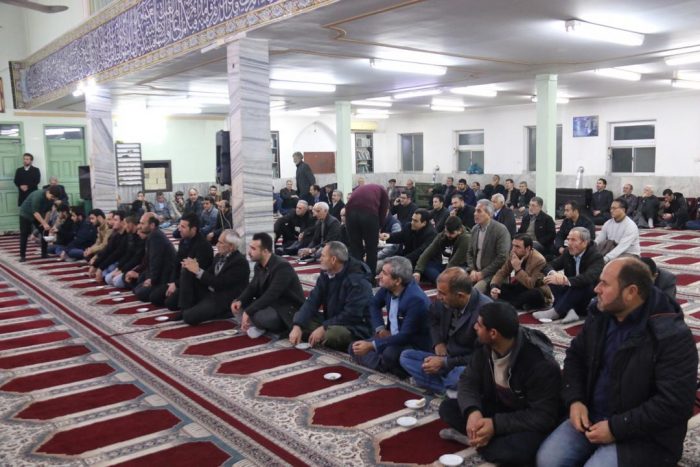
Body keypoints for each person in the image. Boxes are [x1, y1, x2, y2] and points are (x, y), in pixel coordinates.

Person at [537, 257, 698, 467]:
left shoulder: (670, 335)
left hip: (644, 435)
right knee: (548, 461)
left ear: (631, 292)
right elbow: (575, 357)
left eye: (604, 284)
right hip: (593, 416)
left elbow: (674, 403)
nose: (596, 289)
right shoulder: (601, 315)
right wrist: (575, 400)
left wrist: (615, 428)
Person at [440, 302, 562, 466]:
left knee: (519, 452)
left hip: (525, 418)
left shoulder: (539, 363)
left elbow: (543, 416)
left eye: (479, 324)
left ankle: (478, 441)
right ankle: (485, 439)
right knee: (448, 408)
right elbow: (468, 380)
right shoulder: (485, 346)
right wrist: (472, 411)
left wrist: (496, 425)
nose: (475, 327)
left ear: (493, 333)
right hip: (499, 408)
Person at [400, 267, 491, 394]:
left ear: (460, 296)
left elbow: (482, 357)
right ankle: (450, 389)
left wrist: (445, 363)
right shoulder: (444, 301)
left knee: (457, 377)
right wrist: (438, 342)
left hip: (465, 363)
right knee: (406, 356)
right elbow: (432, 318)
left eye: (442, 293)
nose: (438, 297)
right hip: (445, 355)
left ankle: (445, 386)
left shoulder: (485, 311)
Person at [350, 256, 431, 378]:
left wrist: (372, 345)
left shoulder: (416, 300)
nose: (379, 276)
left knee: (389, 354)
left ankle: (385, 363)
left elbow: (405, 336)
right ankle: (385, 363)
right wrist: (380, 329)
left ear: (397, 280)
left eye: (384, 273)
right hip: (391, 338)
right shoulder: (388, 288)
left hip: (412, 344)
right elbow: (374, 304)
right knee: (354, 347)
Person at [289, 242, 373, 350]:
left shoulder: (357, 280)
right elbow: (312, 301)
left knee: (332, 335)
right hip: (332, 319)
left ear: (333, 259)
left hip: (355, 326)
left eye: (323, 256)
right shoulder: (326, 273)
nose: (320, 259)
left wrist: (324, 327)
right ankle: (315, 333)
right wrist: (297, 325)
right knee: (297, 318)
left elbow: (351, 315)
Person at [232, 232, 305, 338]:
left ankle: (257, 325)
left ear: (265, 251)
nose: (249, 252)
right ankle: (255, 324)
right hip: (270, 305)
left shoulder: (282, 267)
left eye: (253, 249)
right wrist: (240, 300)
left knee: (261, 317)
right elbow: (252, 287)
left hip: (286, 309)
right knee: (237, 305)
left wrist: (248, 311)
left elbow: (271, 295)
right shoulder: (259, 265)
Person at [533, 227, 605, 324]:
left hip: (587, 296)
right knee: (551, 278)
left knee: (580, 284)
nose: (569, 243)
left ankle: (557, 311)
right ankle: (569, 310)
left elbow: (588, 278)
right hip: (570, 292)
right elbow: (548, 265)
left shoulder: (596, 256)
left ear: (584, 243)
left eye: (573, 240)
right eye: (568, 239)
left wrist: (564, 281)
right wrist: (554, 274)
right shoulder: (568, 252)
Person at [178, 230, 249, 325]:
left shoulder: (239, 262)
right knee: (187, 272)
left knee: (188, 317)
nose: (217, 245)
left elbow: (220, 283)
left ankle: (224, 313)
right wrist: (193, 267)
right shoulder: (219, 256)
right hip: (212, 292)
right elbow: (209, 274)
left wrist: (198, 271)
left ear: (231, 246)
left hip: (224, 299)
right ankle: (184, 308)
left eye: (221, 243)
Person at [158, 213, 214, 310]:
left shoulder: (203, 246)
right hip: (180, 280)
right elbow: (176, 264)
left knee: (169, 303)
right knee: (155, 296)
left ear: (193, 229)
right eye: (179, 226)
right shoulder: (183, 241)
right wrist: (172, 282)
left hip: (194, 285)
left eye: (183, 227)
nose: (179, 229)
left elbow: (195, 273)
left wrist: (176, 284)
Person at [490, 234, 552, 311]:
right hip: (521, 286)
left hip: (537, 289)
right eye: (513, 245)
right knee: (494, 285)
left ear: (528, 248)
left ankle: (513, 304)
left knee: (533, 294)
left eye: (517, 247)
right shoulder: (514, 253)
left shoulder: (539, 260)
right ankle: (518, 303)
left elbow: (531, 284)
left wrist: (518, 269)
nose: (513, 249)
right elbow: (502, 272)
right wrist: (494, 287)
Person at [466, 199, 511, 293]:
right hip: (476, 272)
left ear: (489, 214)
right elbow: (469, 253)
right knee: (457, 286)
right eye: (475, 210)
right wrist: (472, 270)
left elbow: (502, 257)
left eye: (479, 211)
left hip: (493, 274)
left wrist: (483, 273)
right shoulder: (474, 229)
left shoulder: (500, 230)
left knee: (474, 292)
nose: (475, 214)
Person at [345, 183, 390, 275]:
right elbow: (383, 211)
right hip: (369, 213)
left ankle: (357, 275)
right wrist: (379, 227)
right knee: (371, 249)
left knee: (355, 247)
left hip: (349, 213)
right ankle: (370, 277)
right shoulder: (383, 191)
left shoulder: (361, 188)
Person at [133, 214, 177, 303]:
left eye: (142, 223)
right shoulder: (154, 235)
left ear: (152, 225)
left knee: (141, 293)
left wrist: (152, 280)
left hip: (165, 276)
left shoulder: (155, 237)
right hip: (158, 273)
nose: (140, 226)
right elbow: (148, 260)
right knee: (137, 285)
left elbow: (156, 261)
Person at [413, 216, 470, 284]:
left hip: (459, 266)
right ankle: (444, 282)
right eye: (447, 232)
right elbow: (427, 253)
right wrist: (417, 271)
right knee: (426, 265)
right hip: (444, 264)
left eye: (451, 233)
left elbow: (454, 262)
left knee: (460, 275)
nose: (448, 235)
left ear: (460, 230)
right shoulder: (442, 235)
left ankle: (443, 282)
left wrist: (444, 276)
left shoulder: (466, 239)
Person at [18, 186, 62, 261]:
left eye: (54, 198)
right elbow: (35, 212)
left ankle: (44, 253)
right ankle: (22, 256)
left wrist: (46, 222)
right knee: (24, 234)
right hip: (26, 214)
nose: (52, 198)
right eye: (52, 196)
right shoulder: (38, 196)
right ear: (48, 192)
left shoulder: (51, 199)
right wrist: (44, 223)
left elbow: (48, 211)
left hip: (39, 214)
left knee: (45, 231)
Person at [104, 216, 145, 289]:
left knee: (116, 281)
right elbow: (128, 255)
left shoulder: (143, 238)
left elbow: (137, 259)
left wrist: (122, 271)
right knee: (108, 278)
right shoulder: (130, 236)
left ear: (131, 224)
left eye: (125, 224)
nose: (124, 227)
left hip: (138, 268)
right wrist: (119, 269)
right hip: (128, 265)